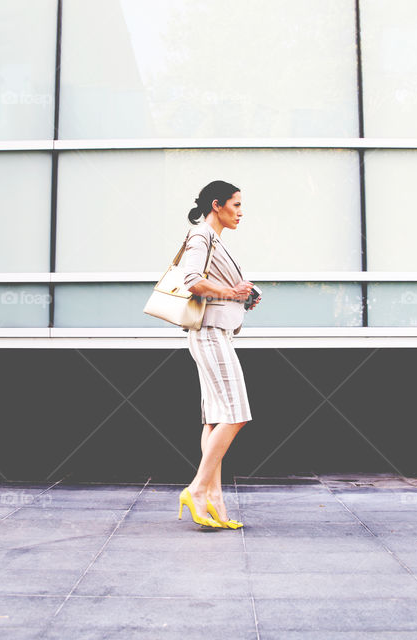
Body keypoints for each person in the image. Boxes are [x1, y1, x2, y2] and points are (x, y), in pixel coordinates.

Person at [176, 180, 261, 529]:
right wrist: (231, 291)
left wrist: (243, 296)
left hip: (216, 332)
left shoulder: (215, 241)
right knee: (237, 413)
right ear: (217, 205)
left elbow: (219, 288)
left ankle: (214, 498)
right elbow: (192, 279)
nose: (240, 212)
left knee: (215, 418)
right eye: (236, 205)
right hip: (209, 334)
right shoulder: (201, 236)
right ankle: (197, 490)